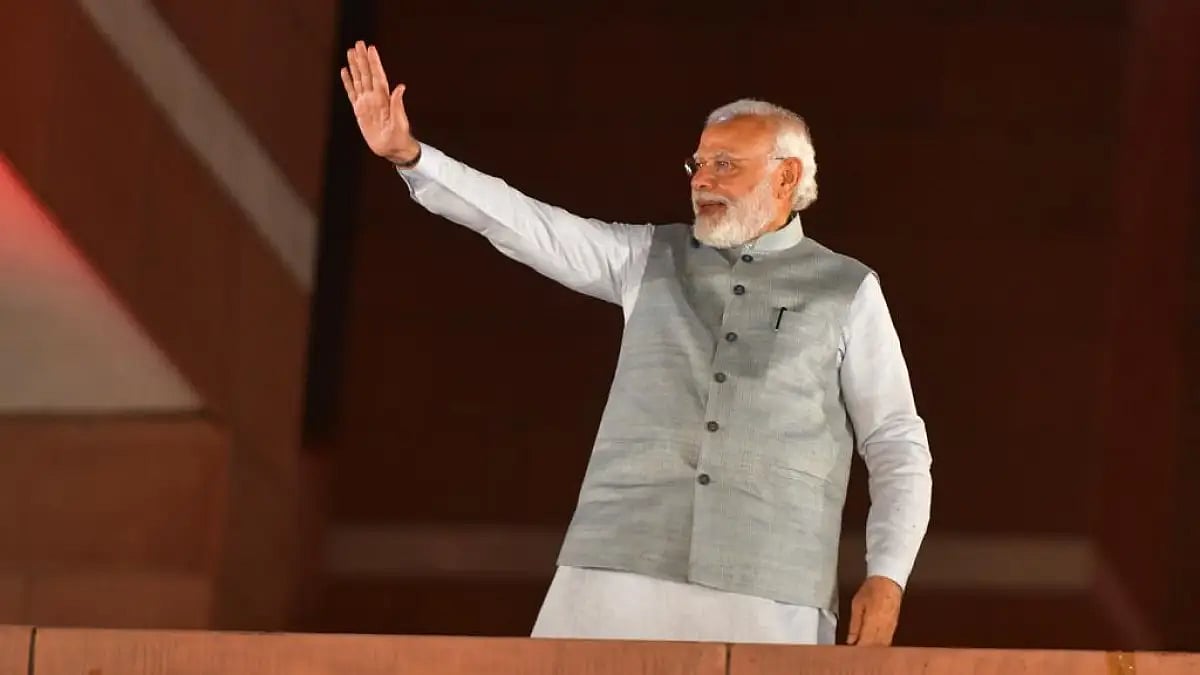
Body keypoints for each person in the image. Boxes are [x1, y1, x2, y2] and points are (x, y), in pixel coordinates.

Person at [340, 40, 932, 647]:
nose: (702, 179)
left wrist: (888, 576)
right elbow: (525, 224)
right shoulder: (647, 257)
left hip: (771, 584)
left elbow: (896, 443)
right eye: (697, 164)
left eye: (725, 164)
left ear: (787, 176)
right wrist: (411, 157)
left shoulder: (846, 288)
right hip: (614, 567)